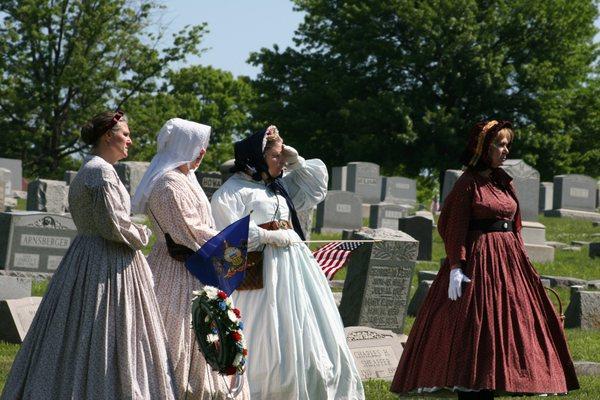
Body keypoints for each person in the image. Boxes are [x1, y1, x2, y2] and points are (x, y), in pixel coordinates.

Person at [390, 120, 579, 398]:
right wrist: (457, 264)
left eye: (507, 144)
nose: (505, 150)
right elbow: (452, 225)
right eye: (500, 144)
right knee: (477, 324)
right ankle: (472, 382)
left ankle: (509, 377)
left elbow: (515, 224)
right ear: (483, 147)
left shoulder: (502, 181)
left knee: (514, 323)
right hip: (479, 261)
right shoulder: (468, 182)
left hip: (509, 260)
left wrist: (520, 259)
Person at [1, 110, 177, 400]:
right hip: (106, 262)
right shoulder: (101, 172)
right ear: (108, 135)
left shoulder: (91, 168)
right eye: (126, 134)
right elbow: (115, 225)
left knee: (83, 331)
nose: (130, 141)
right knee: (106, 331)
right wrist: (144, 235)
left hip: (88, 255)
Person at [210, 126, 365, 400]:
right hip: (260, 274)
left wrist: (297, 161)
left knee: (308, 327)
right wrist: (268, 235)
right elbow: (225, 234)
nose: (281, 162)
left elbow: (316, 189)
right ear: (255, 158)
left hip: (295, 269)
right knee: (268, 331)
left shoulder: (277, 186)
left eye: (283, 157)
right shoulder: (232, 191)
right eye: (276, 156)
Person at [132, 118, 250, 400]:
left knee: (207, 333)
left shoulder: (186, 178)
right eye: (199, 146)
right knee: (180, 334)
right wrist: (235, 244)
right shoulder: (167, 185)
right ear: (183, 146)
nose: (203, 152)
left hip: (200, 264)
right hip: (177, 268)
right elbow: (189, 231)